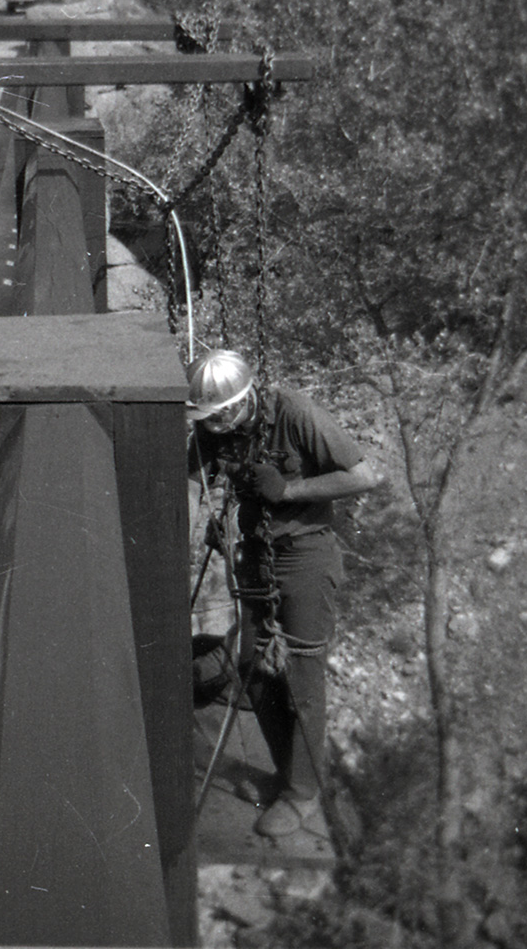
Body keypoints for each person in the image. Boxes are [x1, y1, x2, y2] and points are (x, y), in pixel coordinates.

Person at [187, 348, 378, 838]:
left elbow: (363, 476)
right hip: (255, 555)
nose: (211, 428)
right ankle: (283, 774)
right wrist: (217, 516)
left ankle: (302, 793)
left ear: (234, 406)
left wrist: (288, 492)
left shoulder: (295, 413)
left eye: (214, 418)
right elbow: (195, 474)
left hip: (304, 558)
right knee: (253, 673)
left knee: (300, 684)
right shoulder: (220, 433)